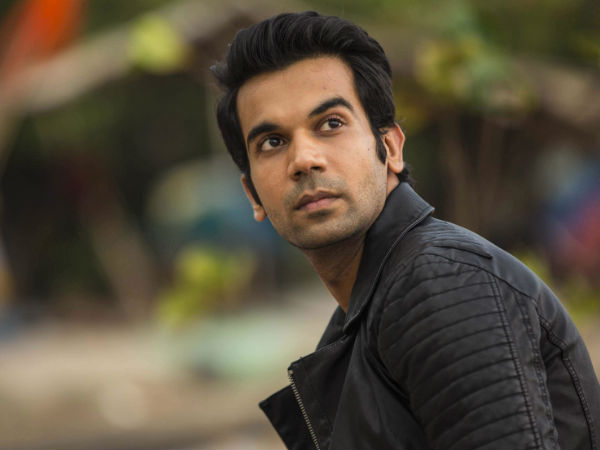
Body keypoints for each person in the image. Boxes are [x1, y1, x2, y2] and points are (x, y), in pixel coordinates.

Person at [211, 11, 600, 450]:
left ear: (391, 147)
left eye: (331, 123)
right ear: (253, 194)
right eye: (272, 142)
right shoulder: (362, 319)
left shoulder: (442, 284)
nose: (303, 159)